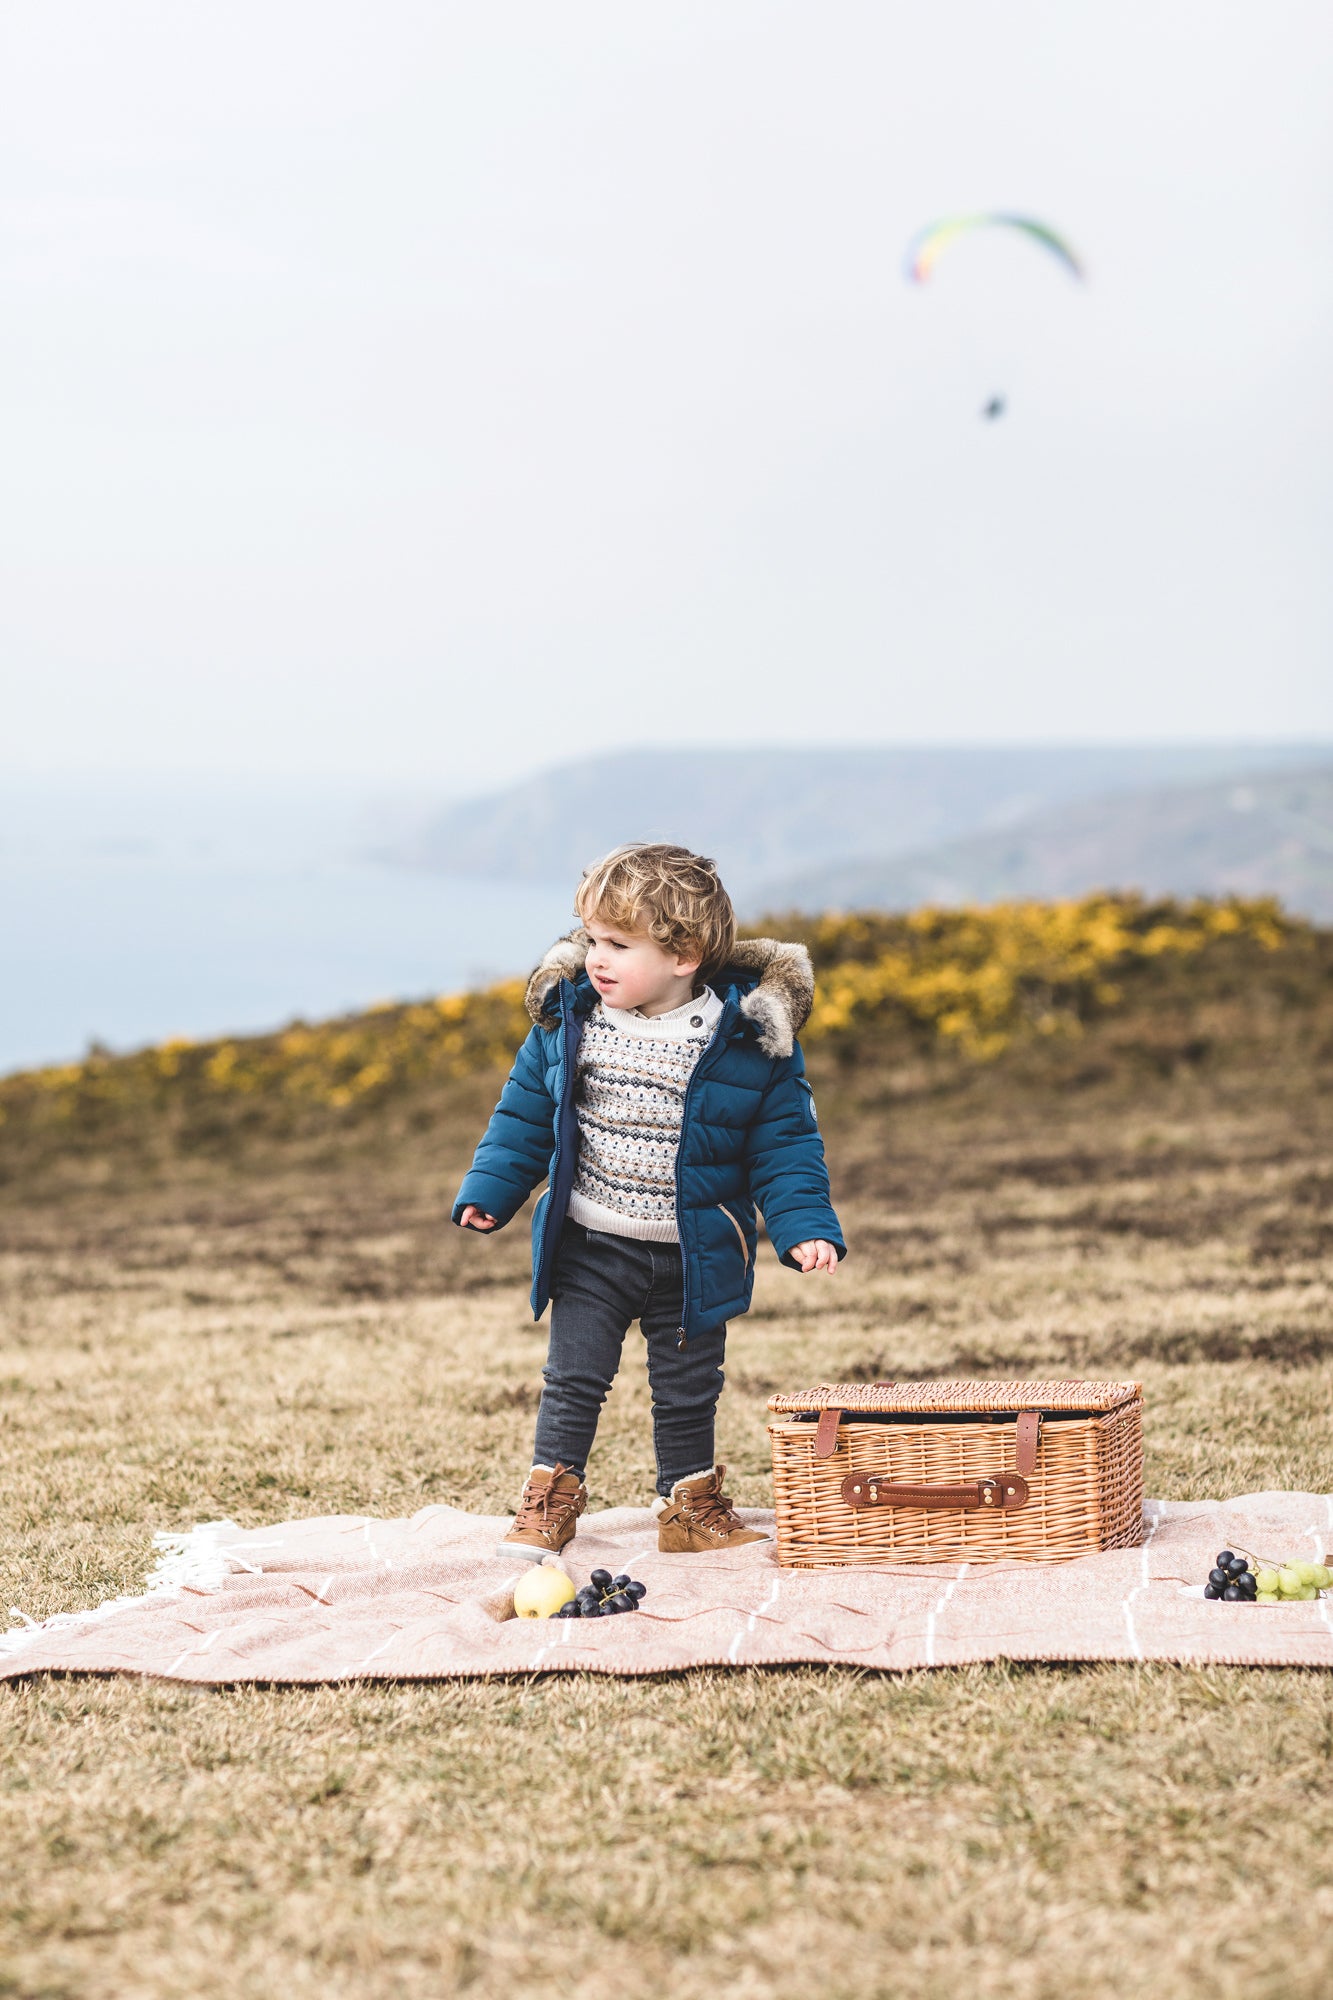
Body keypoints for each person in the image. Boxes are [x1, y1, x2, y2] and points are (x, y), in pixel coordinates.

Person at [453, 842, 845, 1560]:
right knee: (573, 1379)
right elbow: (523, 1114)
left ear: (684, 955)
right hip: (590, 1244)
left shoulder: (746, 1038)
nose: (594, 959)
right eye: (592, 939)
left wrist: (803, 1226)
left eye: (618, 945)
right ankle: (549, 1500)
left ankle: (688, 1507)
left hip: (695, 1254)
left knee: (689, 1388)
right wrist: (492, 1190)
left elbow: (785, 1145)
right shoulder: (571, 1019)